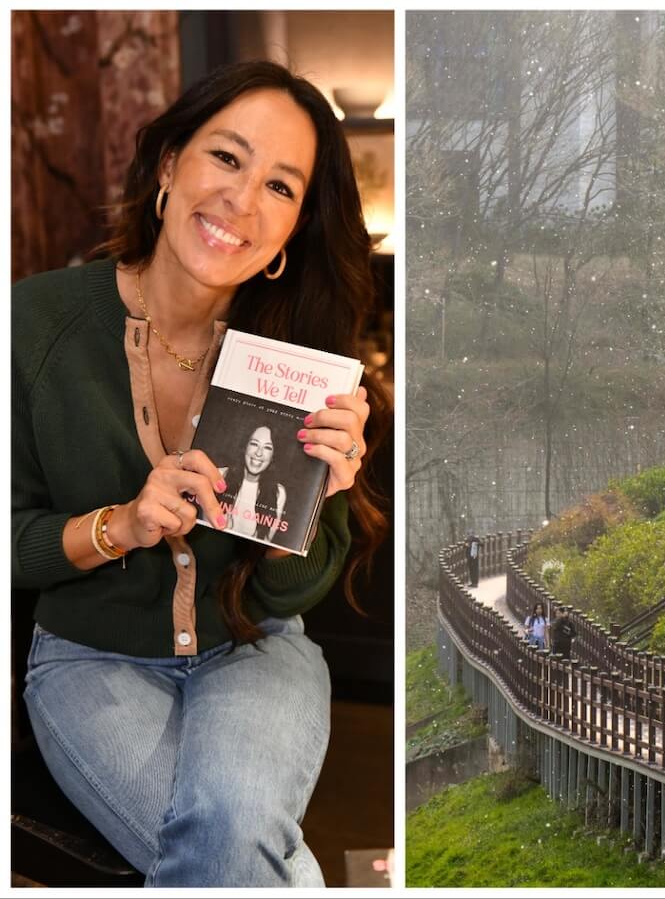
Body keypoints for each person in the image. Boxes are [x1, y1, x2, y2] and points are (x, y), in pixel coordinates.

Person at [12, 61, 391, 887]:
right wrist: (124, 524)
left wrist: (316, 500)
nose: (242, 202)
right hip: (90, 660)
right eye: (226, 158)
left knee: (227, 838)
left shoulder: (298, 364)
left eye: (281, 187)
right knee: (244, 853)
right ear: (168, 163)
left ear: (293, 229)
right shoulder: (35, 325)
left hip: (255, 652)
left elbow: (289, 598)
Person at [218, 425, 287, 543]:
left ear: (273, 457)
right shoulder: (219, 475)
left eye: (267, 448)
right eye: (254, 444)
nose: (259, 453)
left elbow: (265, 541)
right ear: (245, 447)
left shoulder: (278, 493)